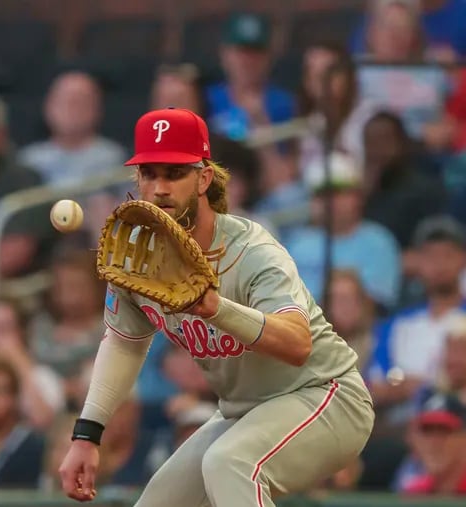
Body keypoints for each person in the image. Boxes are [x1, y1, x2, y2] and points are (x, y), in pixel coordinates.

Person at [58, 108, 375, 506]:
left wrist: (214, 307)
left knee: (230, 462)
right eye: (149, 174)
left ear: (204, 178)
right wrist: (87, 436)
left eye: (174, 174)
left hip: (326, 397)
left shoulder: (252, 249)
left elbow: (298, 344)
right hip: (243, 412)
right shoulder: (136, 258)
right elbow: (124, 344)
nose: (159, 188)